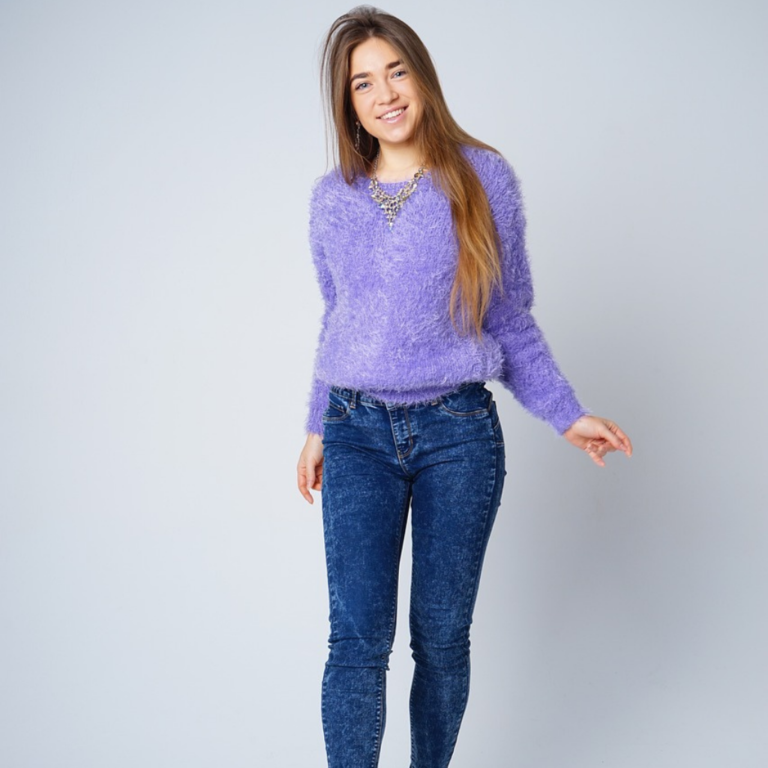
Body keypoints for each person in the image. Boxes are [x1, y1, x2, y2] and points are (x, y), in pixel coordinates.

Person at [296, 6, 633, 766]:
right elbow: (338, 321)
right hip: (355, 431)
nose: (385, 93)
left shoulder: (482, 177)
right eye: (362, 83)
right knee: (356, 638)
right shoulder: (331, 200)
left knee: (442, 638)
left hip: (458, 434)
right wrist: (317, 424)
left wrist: (566, 414)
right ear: (346, 103)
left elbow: (508, 317)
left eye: (396, 71)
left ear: (422, 76)